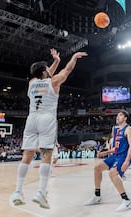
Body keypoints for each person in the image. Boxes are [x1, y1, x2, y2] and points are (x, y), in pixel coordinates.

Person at [10, 49, 87, 209]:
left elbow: (45, 74)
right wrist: (73, 58)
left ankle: (17, 191)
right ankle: (41, 193)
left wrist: (56, 61)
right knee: (46, 155)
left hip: (32, 119)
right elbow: (67, 70)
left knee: (27, 155)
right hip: (47, 119)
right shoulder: (54, 82)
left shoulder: (32, 83)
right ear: (44, 72)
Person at [84, 110, 131, 212]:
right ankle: (97, 196)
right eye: (117, 115)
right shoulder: (114, 129)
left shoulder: (128, 129)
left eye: (120, 115)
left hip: (123, 156)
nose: (117, 117)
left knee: (112, 173)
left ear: (125, 118)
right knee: (97, 168)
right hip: (115, 155)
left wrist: (127, 161)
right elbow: (116, 148)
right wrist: (105, 152)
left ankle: (126, 200)